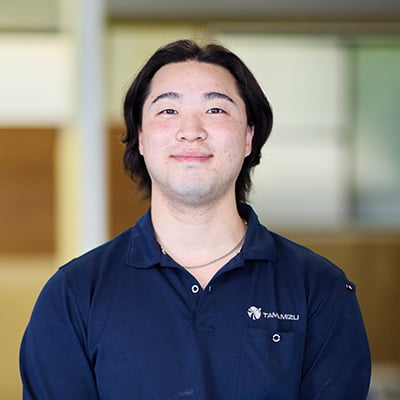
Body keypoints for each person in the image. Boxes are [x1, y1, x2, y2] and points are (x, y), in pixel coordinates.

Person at [20, 39, 371, 399]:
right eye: (168, 110)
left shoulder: (319, 289)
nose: (191, 130)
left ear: (248, 136)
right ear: (141, 137)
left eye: (216, 110)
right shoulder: (75, 294)